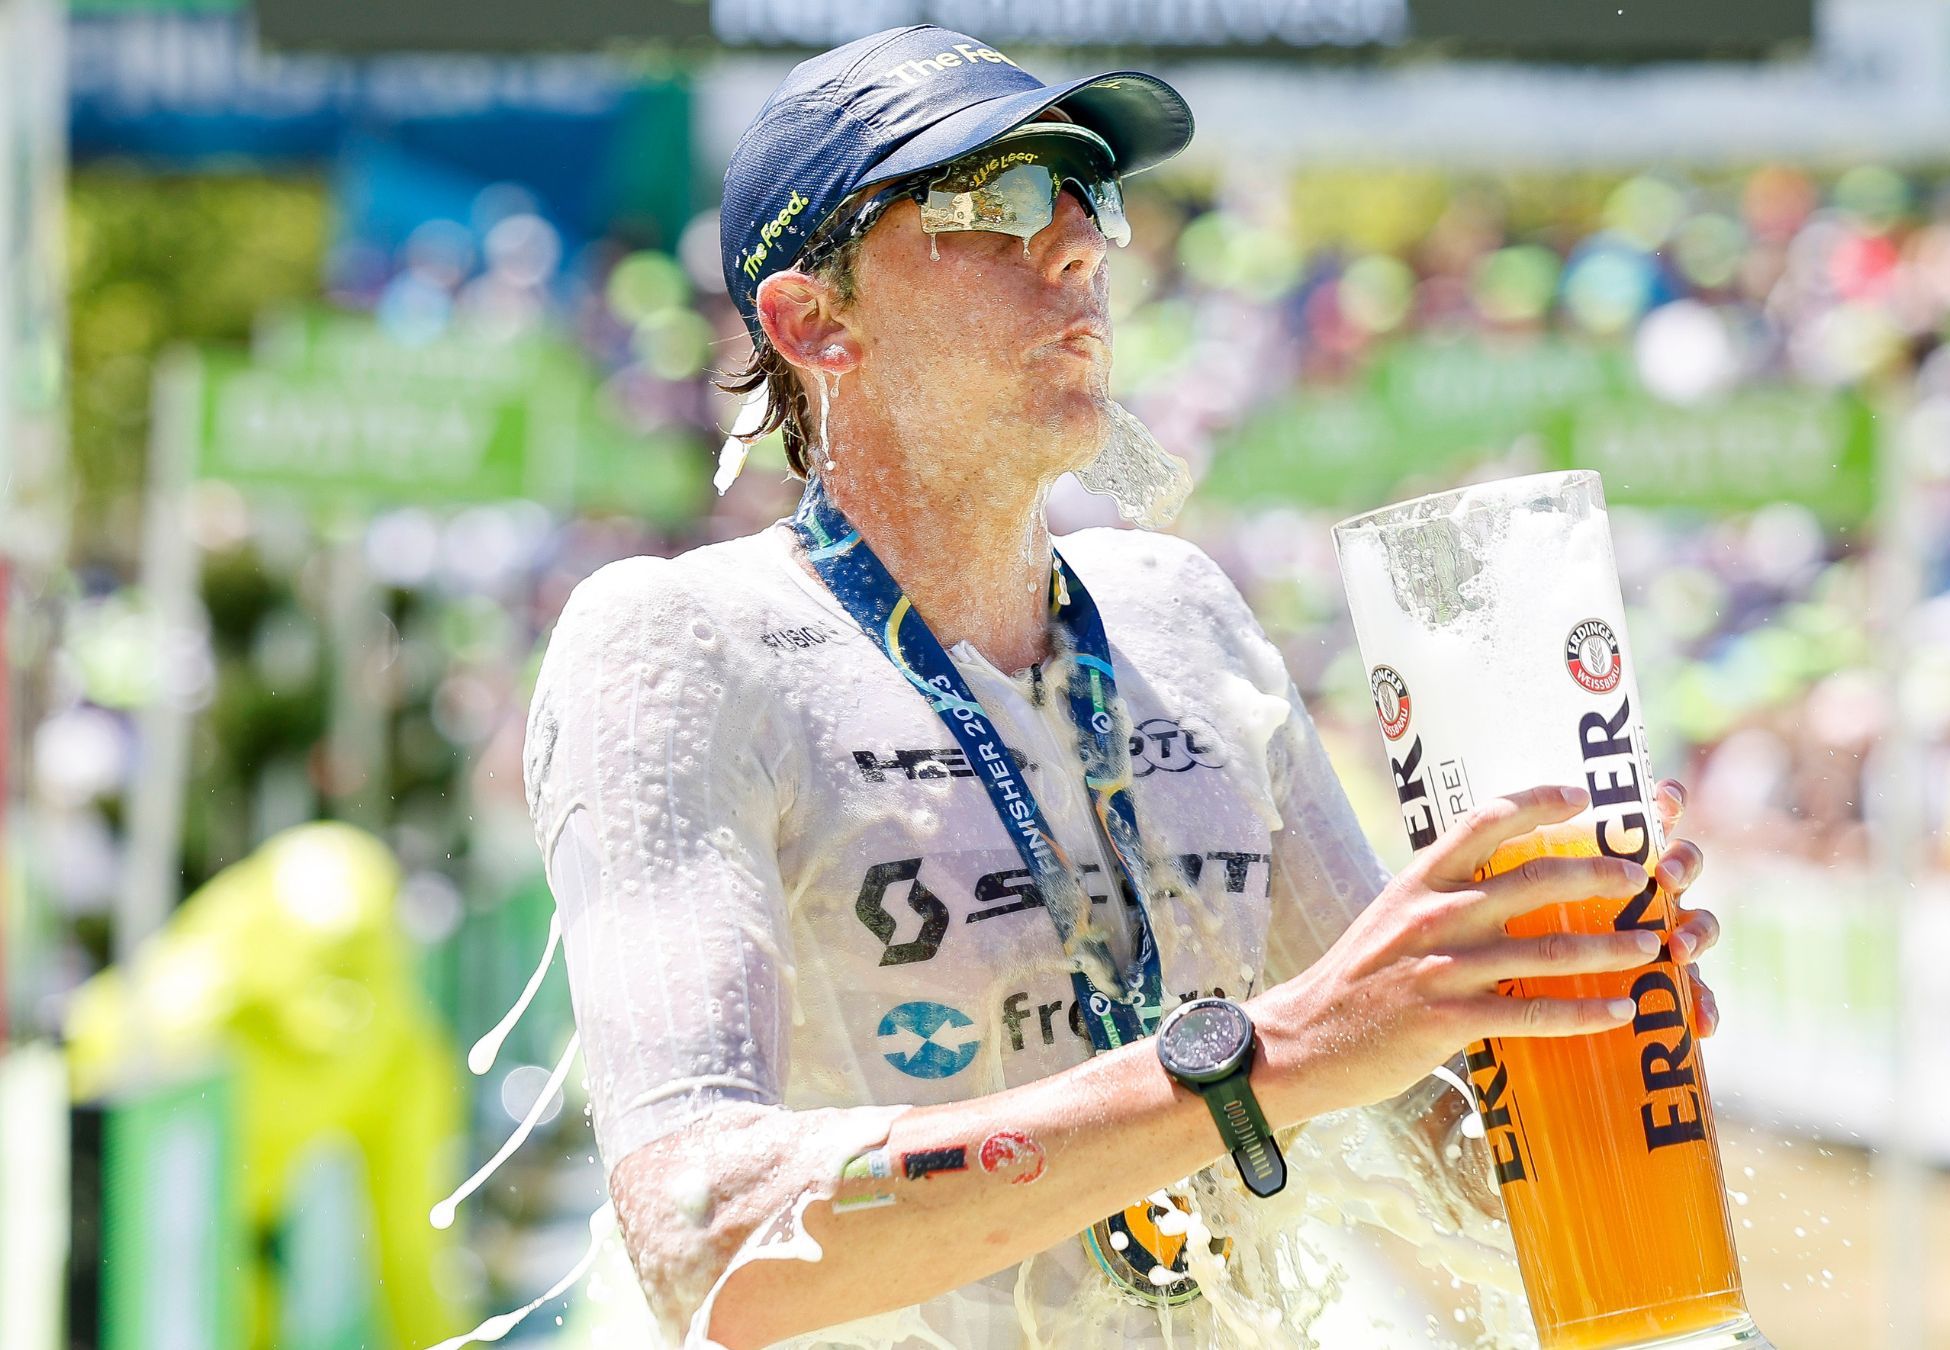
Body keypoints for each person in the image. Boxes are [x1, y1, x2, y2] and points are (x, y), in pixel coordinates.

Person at [522, 25, 1726, 1349]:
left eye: (1089, 193)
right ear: (816, 321)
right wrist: (1264, 1063)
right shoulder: (681, 643)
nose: (1079, 244)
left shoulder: (1182, 610)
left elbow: (1426, 1130)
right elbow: (705, 1233)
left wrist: (1574, 1023)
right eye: (995, 200)